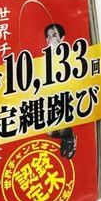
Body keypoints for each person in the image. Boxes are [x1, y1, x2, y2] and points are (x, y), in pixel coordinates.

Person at [43, 23, 76, 159]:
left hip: (66, 96)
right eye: (48, 36)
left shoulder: (67, 54)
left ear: (62, 38)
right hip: (50, 96)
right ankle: (66, 137)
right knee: (49, 132)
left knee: (62, 127)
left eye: (54, 35)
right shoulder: (46, 56)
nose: (51, 38)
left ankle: (69, 139)